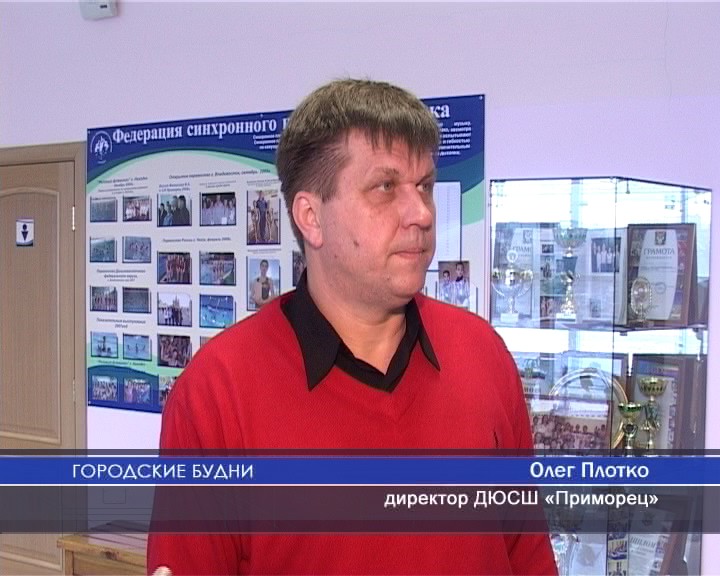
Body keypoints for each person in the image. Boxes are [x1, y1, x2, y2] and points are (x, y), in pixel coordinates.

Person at [147, 78, 556, 575]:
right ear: (311, 217)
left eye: (425, 186)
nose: (422, 214)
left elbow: (529, 556)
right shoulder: (217, 392)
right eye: (386, 187)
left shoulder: (481, 353)